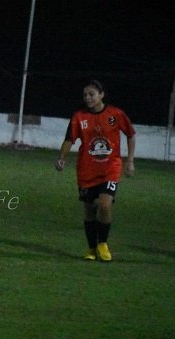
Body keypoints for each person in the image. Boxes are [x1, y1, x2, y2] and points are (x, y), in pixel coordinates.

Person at [55, 79, 136, 262]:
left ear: (101, 95)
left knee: (105, 204)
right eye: (85, 95)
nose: (88, 98)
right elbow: (69, 139)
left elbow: (131, 135)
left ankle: (103, 243)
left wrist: (130, 160)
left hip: (111, 168)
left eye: (91, 94)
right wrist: (61, 158)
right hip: (87, 170)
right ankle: (91, 248)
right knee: (90, 208)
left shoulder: (115, 114)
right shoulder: (79, 117)